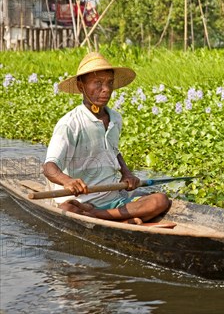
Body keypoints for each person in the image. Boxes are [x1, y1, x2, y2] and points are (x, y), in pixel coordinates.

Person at [43, 52, 170, 224]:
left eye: (109, 83)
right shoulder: (70, 124)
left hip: (113, 198)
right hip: (81, 202)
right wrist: (68, 181)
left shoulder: (115, 118)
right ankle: (122, 219)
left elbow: (113, 150)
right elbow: (49, 166)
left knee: (160, 200)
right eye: (98, 83)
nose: (106, 89)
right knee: (68, 209)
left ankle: (98, 216)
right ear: (81, 87)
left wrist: (126, 173)